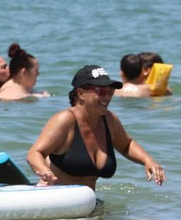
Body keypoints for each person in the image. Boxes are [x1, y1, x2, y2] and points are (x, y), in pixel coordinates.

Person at [26, 66, 165, 188]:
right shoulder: (65, 120)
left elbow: (126, 145)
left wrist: (148, 161)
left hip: (87, 205)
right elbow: (35, 153)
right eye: (101, 91)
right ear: (81, 94)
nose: (107, 97)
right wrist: (45, 171)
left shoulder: (109, 120)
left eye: (110, 91)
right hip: (57, 201)